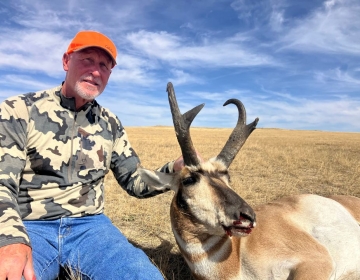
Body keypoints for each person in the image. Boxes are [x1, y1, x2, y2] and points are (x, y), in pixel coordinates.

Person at [0, 30, 184, 280]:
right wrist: (10, 238)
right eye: (87, 59)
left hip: (91, 228)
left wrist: (174, 169)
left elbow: (134, 180)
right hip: (30, 226)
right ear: (66, 61)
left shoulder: (110, 123)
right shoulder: (18, 110)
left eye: (104, 66)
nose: (96, 71)